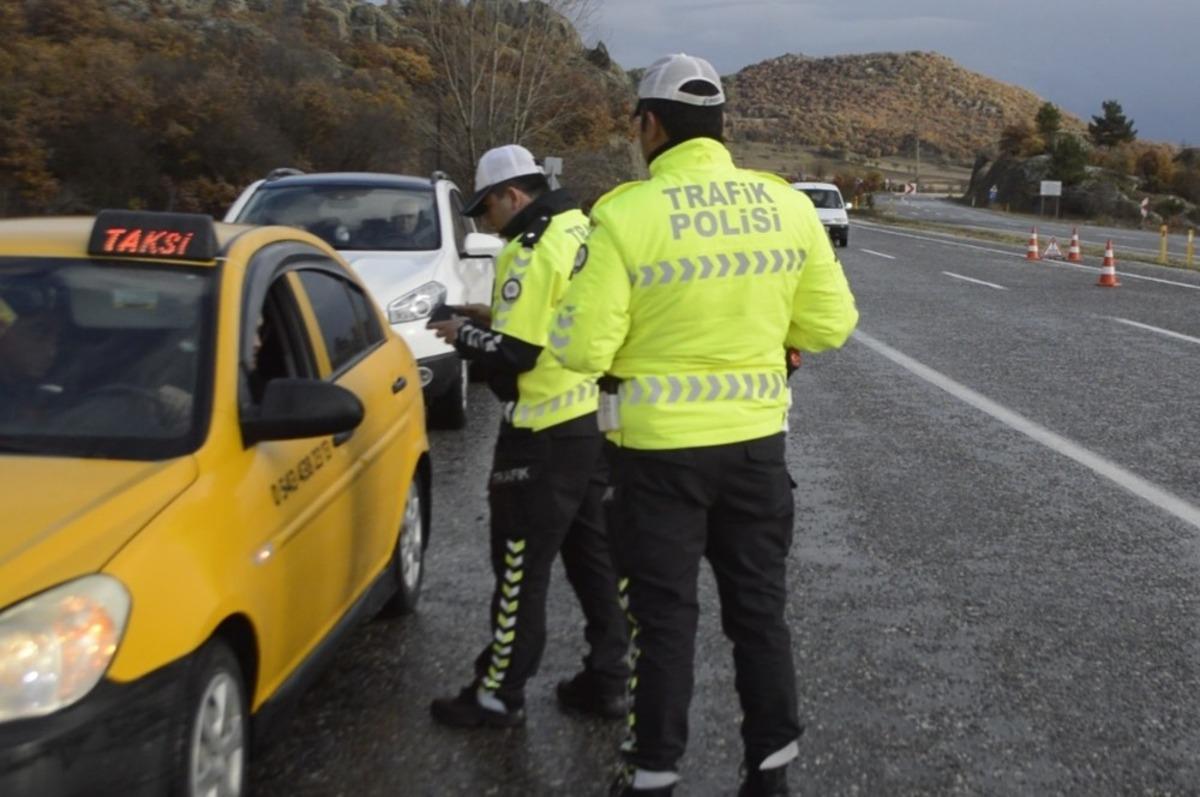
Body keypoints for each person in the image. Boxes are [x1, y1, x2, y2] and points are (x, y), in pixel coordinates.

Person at [549, 54, 859, 796]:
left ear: (649, 126)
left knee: (663, 623)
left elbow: (581, 347)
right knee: (759, 616)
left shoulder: (625, 214)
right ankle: (770, 773)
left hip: (655, 458)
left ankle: (654, 773)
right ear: (720, 127)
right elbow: (831, 323)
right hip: (756, 452)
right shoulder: (785, 204)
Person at [426, 144, 630, 728]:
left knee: (519, 564)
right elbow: (555, 318)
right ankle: (608, 679)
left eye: (486, 207)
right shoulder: (579, 229)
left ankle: (498, 692)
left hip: (539, 432)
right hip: (590, 422)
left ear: (513, 196)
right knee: (592, 558)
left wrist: (459, 335)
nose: (485, 220)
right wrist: (484, 315)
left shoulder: (528, 249)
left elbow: (519, 353)